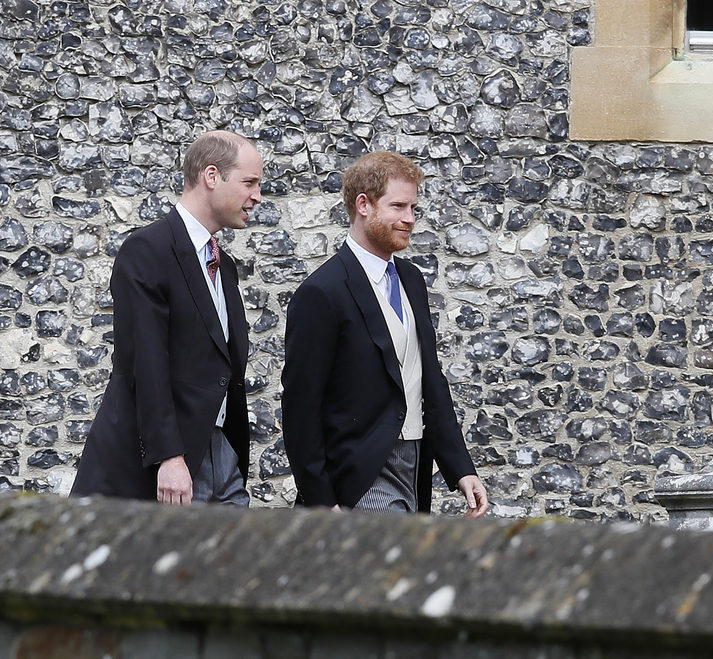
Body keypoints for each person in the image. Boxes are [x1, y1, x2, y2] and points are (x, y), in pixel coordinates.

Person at [282, 151, 489, 517]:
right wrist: (320, 498)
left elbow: (429, 381)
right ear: (363, 204)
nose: (409, 219)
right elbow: (300, 407)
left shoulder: (411, 279)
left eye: (413, 208)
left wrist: (461, 469)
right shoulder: (322, 292)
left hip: (415, 464)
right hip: (360, 474)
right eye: (398, 207)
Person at [71, 130, 262, 506]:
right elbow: (147, 360)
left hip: (222, 454)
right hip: (166, 461)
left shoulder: (225, 268)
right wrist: (169, 457)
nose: (257, 195)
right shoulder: (148, 250)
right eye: (250, 182)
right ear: (211, 176)